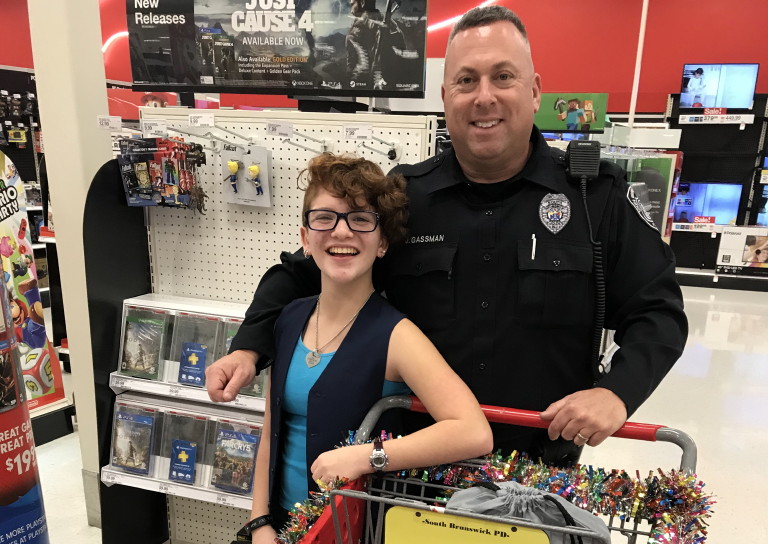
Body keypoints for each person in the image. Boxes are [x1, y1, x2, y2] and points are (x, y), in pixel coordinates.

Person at [206, 5, 686, 467]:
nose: (484, 97)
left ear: (535, 90)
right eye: (466, 80)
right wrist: (249, 347)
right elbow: (303, 272)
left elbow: (657, 311)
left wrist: (616, 392)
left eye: (503, 76)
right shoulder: (405, 197)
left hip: (537, 472)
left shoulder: (591, 199)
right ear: (445, 95)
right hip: (413, 467)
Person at [243, 152, 493, 544]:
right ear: (306, 237)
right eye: (325, 218)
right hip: (279, 532)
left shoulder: (397, 335)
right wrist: (259, 522)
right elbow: (271, 430)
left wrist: (368, 457)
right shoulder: (289, 318)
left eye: (361, 219)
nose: (342, 232)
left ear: (383, 243)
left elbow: (473, 431)